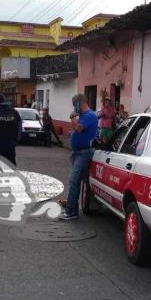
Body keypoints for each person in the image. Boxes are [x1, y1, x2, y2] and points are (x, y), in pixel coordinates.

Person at [59, 93, 99, 221]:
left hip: (84, 152)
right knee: (78, 181)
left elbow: (78, 128)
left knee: (73, 180)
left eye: (74, 105)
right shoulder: (81, 116)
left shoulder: (90, 115)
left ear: (78, 104)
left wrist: (72, 117)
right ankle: (73, 205)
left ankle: (71, 211)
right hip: (77, 152)